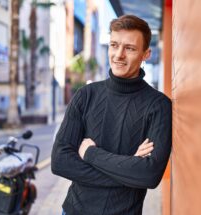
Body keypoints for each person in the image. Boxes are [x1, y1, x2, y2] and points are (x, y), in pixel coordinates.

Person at [51, 14, 172, 215]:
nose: (118, 55)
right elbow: (60, 161)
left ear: (146, 54)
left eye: (130, 48)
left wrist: (90, 154)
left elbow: (149, 175)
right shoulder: (86, 95)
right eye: (114, 45)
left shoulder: (158, 106)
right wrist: (128, 170)